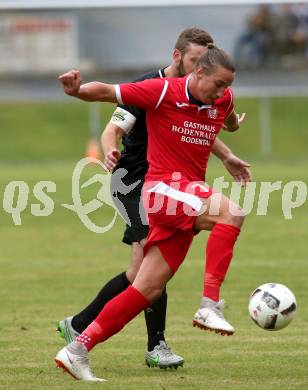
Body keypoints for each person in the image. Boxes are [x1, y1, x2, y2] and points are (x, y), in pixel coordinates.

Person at [57, 28, 251, 370]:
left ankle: (77, 348)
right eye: (216, 82)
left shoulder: (220, 97)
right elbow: (108, 97)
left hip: (183, 194)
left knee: (145, 286)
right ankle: (208, 305)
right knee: (231, 212)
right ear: (192, 65)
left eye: (227, 86)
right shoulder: (158, 89)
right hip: (152, 187)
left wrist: (229, 148)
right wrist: (77, 92)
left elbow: (226, 119)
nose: (223, 91)